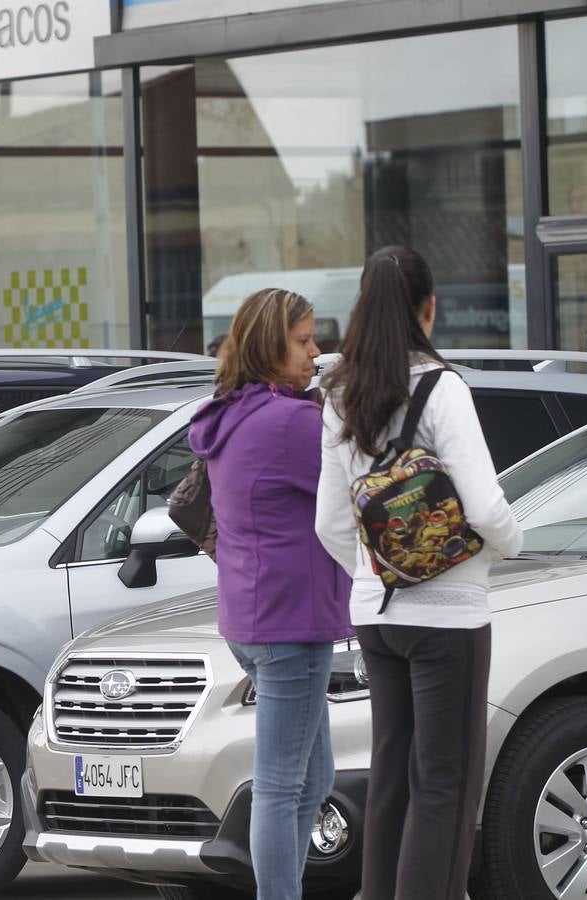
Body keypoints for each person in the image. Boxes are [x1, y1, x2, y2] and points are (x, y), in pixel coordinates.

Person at [314, 246, 524, 900]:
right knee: (446, 782)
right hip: (449, 618)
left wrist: (376, 571)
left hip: (376, 615)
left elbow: (329, 523)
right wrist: (509, 546)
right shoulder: (442, 387)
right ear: (428, 310)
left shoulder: (340, 393)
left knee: (394, 777)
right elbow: (486, 505)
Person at [188, 288, 352, 900]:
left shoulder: (232, 411)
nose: (317, 351)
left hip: (251, 617)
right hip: (292, 621)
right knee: (283, 783)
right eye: (305, 340)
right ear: (269, 345)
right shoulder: (290, 422)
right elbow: (355, 488)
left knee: (314, 775)